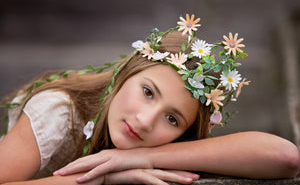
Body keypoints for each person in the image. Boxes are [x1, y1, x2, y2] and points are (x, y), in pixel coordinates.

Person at [0, 14, 299, 185]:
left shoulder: (163, 146)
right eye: (147, 92)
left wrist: (140, 156)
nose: (145, 121)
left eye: (172, 119)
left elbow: (285, 158)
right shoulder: (60, 111)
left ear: (185, 132)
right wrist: (103, 177)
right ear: (126, 73)